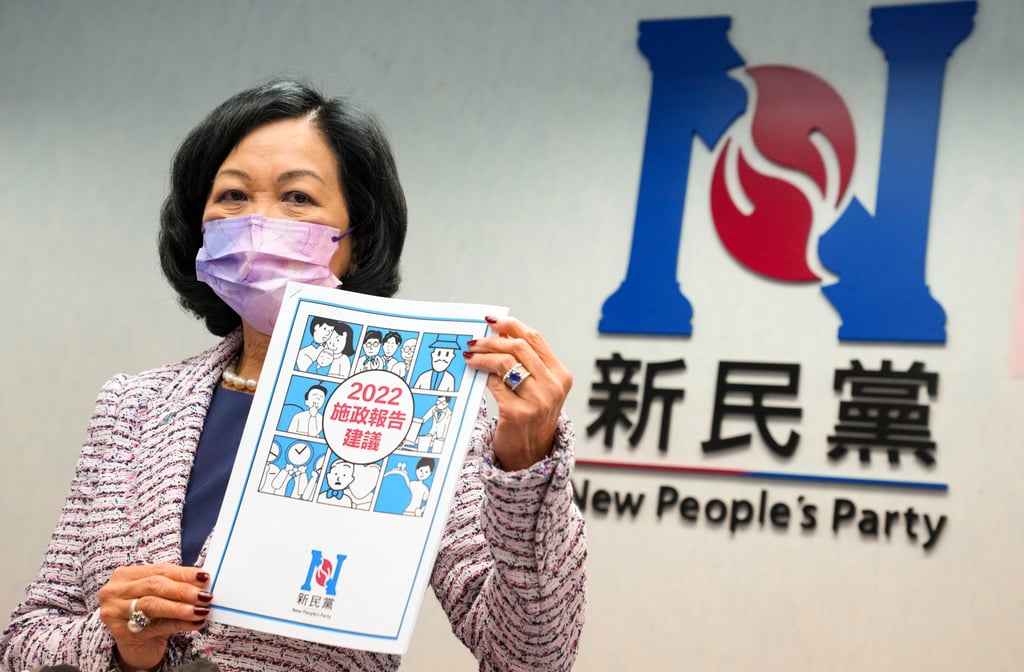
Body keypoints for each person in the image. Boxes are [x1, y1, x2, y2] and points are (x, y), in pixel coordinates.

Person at [0, 79, 585, 672]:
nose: (257, 222)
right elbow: (25, 641)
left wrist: (526, 462)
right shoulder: (133, 407)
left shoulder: (419, 411)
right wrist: (119, 645)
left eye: (297, 198)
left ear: (356, 239)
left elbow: (532, 655)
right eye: (231, 195)